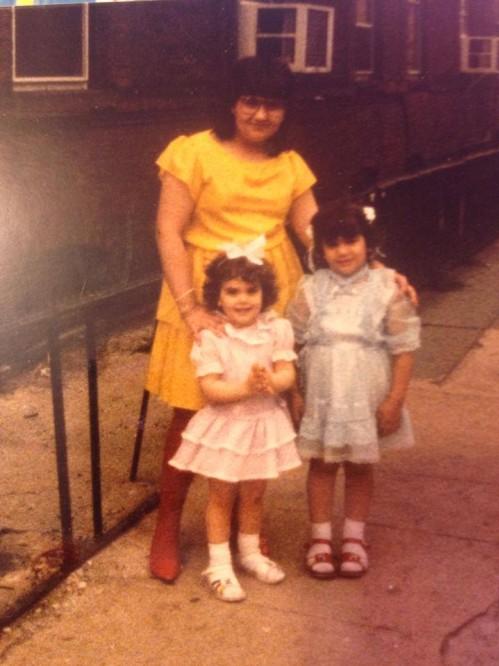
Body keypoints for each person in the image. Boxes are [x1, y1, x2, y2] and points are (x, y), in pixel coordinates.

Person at [147, 56, 318, 583]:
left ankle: (248, 526)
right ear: (233, 102)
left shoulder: (290, 164)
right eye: (251, 100)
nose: (261, 114)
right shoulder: (193, 151)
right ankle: (169, 523)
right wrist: (191, 308)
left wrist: (377, 271)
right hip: (200, 294)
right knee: (189, 412)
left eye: (273, 104)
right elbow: (167, 231)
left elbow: (318, 234)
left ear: (284, 111)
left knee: (258, 408)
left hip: (268, 297)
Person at [287, 201, 420, 579]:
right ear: (320, 249)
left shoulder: (386, 286)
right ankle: (320, 539)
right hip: (322, 392)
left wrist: (395, 400)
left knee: (360, 465)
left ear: (368, 241)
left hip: (367, 391)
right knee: (323, 463)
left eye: (351, 241)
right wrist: (293, 394)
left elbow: (405, 346)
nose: (343, 251)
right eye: (333, 244)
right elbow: (290, 344)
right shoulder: (310, 288)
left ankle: (355, 539)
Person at [168, 249, 300, 602]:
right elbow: (210, 388)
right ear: (218, 297)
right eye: (233, 292)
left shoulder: (276, 329)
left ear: (264, 294)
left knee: (255, 494)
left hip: (262, 424)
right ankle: (219, 564)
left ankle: (251, 552)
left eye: (251, 291)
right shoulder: (213, 337)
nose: (243, 300)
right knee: (222, 496)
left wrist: (273, 381)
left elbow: (288, 371)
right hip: (227, 427)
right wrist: (244, 387)